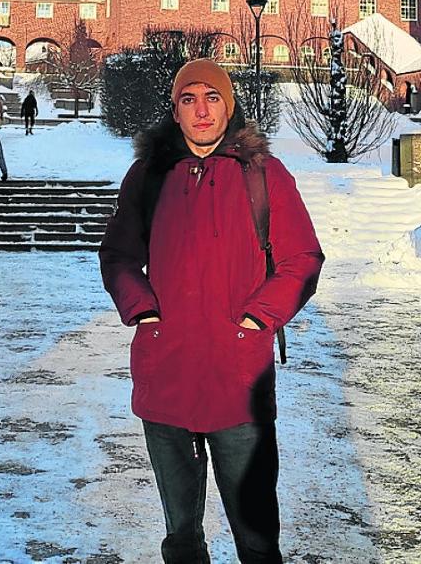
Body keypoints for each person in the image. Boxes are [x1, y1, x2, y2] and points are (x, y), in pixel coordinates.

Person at [100, 59, 324, 563]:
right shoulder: (149, 176)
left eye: (213, 97)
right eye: (188, 99)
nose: (201, 110)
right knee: (181, 536)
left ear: (230, 105)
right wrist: (143, 312)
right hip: (167, 372)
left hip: (237, 377)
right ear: (175, 112)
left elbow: (302, 259)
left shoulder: (263, 175)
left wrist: (257, 320)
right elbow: (117, 255)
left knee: (257, 535)